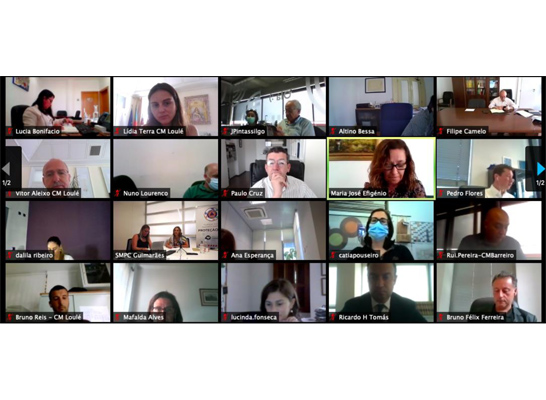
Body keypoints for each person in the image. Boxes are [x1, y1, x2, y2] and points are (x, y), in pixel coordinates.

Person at [340, 263, 427, 322]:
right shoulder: (351, 307)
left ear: (394, 279)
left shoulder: (408, 308)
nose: (380, 284)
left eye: (386, 277)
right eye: (373, 277)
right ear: (368, 279)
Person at [458, 208, 525, 259]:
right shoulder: (468, 242)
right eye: (498, 226)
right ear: (486, 224)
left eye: (506, 227)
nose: (502, 232)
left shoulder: (513, 244)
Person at [251, 147, 316, 198]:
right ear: (266, 168)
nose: (275, 168)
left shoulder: (301, 186)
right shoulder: (256, 188)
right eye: (271, 163)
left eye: (281, 163)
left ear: (288, 168)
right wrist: (277, 194)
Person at [471, 271, 537, 322]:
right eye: (496, 290)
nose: (500, 295)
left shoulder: (529, 319)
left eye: (505, 291)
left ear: (515, 291)